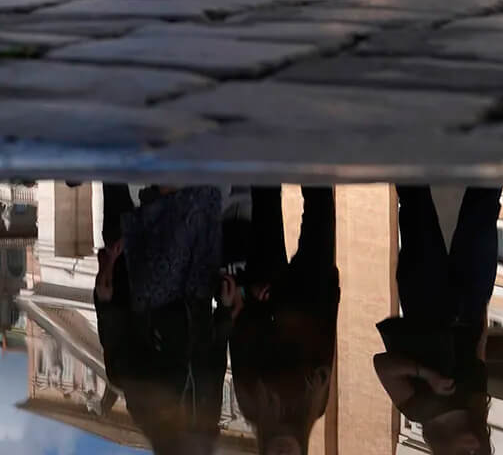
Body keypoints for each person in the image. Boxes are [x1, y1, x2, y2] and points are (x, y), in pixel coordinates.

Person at [96, 184, 234, 453]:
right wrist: (226, 311)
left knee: (170, 197)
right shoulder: (209, 418)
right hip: (198, 291)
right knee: (200, 194)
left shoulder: (148, 415)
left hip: (158, 288)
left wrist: (105, 297)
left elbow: (119, 358)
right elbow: (214, 360)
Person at [374, 187, 500, 454]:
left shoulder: (417, 409)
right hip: (470, 303)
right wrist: (482, 308)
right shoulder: (476, 409)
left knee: (416, 208)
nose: (476, 449)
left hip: (424, 301)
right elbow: (479, 353)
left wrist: (427, 375)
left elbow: (383, 365)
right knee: (483, 211)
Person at [230, 186, 339, 455]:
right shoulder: (318, 406)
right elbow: (327, 336)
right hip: (313, 292)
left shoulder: (250, 406)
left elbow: (239, 332)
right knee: (321, 207)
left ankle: (266, 144)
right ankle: (314, 149)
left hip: (267, 294)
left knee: (265, 200)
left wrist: (249, 295)